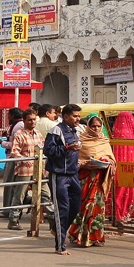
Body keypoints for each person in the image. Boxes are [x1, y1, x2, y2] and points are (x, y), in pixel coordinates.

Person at [68, 114, 116, 247]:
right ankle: (79, 236)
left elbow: (112, 159)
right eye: (93, 126)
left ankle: (96, 237)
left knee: (97, 209)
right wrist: (85, 164)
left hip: (100, 180)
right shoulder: (81, 141)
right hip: (85, 179)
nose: (96, 128)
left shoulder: (104, 141)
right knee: (83, 208)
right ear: (88, 127)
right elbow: (75, 160)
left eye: (98, 126)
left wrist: (108, 162)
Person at [43, 104, 84, 255]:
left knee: (76, 207)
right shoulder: (56, 130)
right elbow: (49, 150)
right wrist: (67, 148)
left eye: (79, 116)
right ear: (65, 116)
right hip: (59, 175)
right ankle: (60, 246)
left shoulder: (76, 130)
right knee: (62, 209)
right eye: (74, 116)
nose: (77, 119)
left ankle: (57, 228)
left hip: (73, 174)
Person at [2, 108, 41, 229]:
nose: (32, 122)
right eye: (29, 120)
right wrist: (25, 160)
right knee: (19, 195)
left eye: (34, 119)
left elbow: (42, 151)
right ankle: (13, 220)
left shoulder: (38, 134)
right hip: (24, 169)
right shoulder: (20, 134)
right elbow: (14, 152)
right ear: (24, 121)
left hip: (38, 170)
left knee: (45, 195)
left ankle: (53, 221)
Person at [109, 110, 134, 224]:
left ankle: (119, 215)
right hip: (133, 167)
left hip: (121, 167)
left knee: (120, 190)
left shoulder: (118, 131)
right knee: (131, 190)